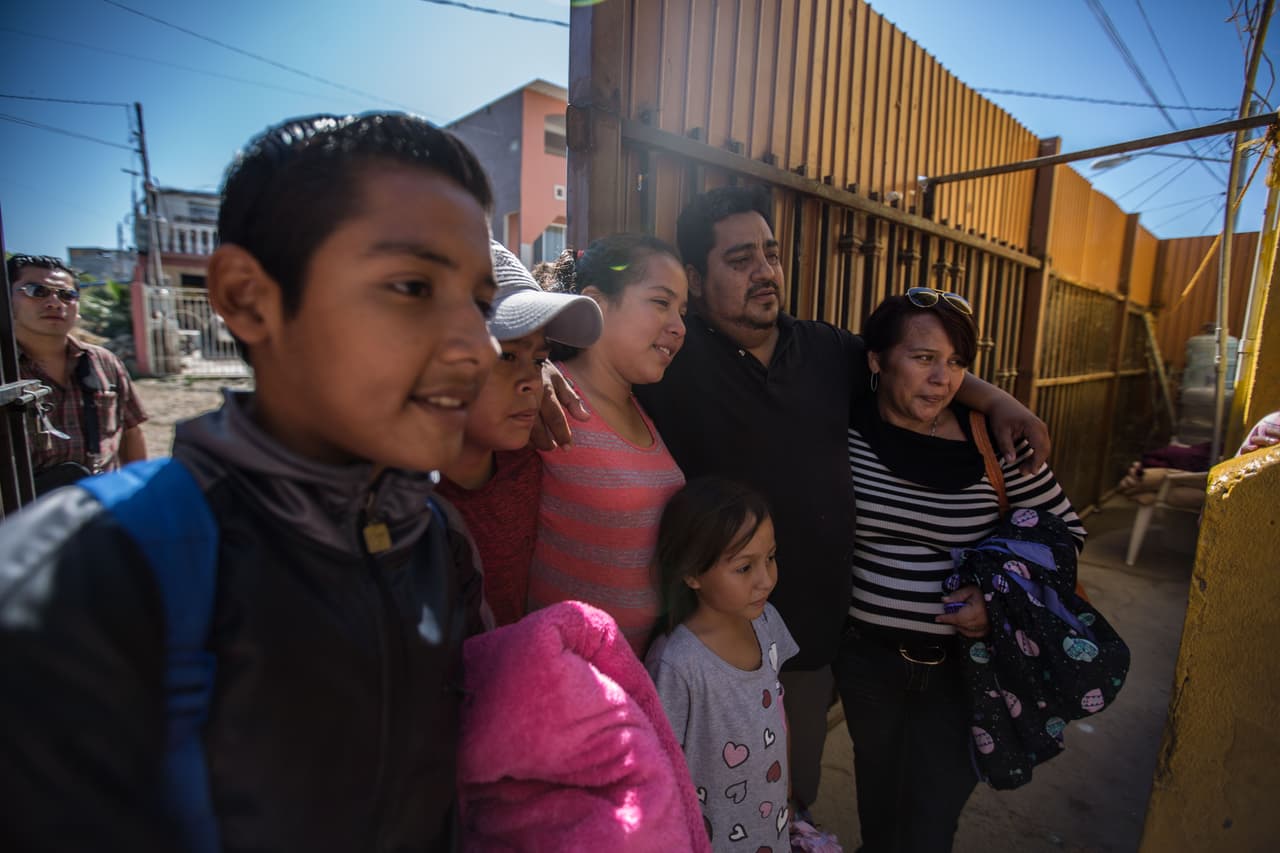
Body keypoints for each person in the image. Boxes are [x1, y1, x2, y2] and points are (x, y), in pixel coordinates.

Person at [0, 113, 497, 851]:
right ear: (248, 295)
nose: (479, 348)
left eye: (481, 303)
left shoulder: (436, 538)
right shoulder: (74, 577)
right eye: (412, 285)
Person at [634, 184, 1052, 815]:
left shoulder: (829, 351)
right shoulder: (676, 356)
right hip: (709, 642)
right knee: (701, 803)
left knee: (790, 796)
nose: (765, 271)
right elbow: (598, 356)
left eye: (771, 254)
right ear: (696, 275)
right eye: (740, 258)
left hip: (811, 641)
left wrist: (1000, 402)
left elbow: (916, 363)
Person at [836, 291, 1085, 853]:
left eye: (955, 363)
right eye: (923, 358)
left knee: (928, 825)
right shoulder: (845, 427)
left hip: (966, 669)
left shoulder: (993, 441)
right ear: (877, 361)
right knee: (878, 806)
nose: (942, 378)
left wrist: (994, 599)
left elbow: (1066, 535)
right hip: (868, 663)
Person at [528, 233, 689, 655]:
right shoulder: (548, 400)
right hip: (562, 677)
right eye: (661, 302)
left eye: (682, 310)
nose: (679, 326)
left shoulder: (643, 407)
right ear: (597, 304)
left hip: (635, 673)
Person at [437, 240, 603, 626]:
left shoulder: (530, 458)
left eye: (539, 360)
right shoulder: (393, 495)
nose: (530, 380)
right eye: (507, 356)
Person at [646, 476, 798, 851]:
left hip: (771, 824)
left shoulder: (767, 623)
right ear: (692, 573)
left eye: (771, 558)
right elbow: (659, 766)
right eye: (745, 568)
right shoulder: (677, 663)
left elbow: (777, 708)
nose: (766, 580)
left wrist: (787, 787)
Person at [8, 253, 147, 492]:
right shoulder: (5, 372)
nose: (54, 302)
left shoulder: (104, 362)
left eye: (66, 295)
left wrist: (141, 494)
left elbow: (131, 432)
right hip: (22, 519)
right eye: (36, 291)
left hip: (99, 509)